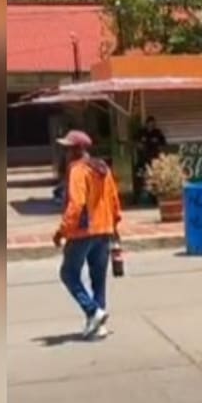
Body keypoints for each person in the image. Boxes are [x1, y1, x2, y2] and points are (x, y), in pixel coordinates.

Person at [53, 130, 122, 339]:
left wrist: (62, 230)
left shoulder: (78, 170)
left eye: (67, 149)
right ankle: (98, 325)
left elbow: (76, 205)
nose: (64, 153)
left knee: (68, 274)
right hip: (104, 230)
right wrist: (114, 226)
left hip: (82, 232)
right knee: (98, 278)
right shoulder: (102, 168)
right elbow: (114, 201)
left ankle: (93, 311)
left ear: (75, 150)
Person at [136, 116, 167, 203]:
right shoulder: (141, 132)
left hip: (155, 160)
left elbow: (163, 143)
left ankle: (155, 199)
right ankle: (145, 198)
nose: (151, 125)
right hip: (144, 159)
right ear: (146, 124)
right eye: (149, 124)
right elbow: (136, 143)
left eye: (152, 124)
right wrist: (140, 146)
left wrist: (159, 148)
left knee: (155, 179)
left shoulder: (157, 132)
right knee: (145, 178)